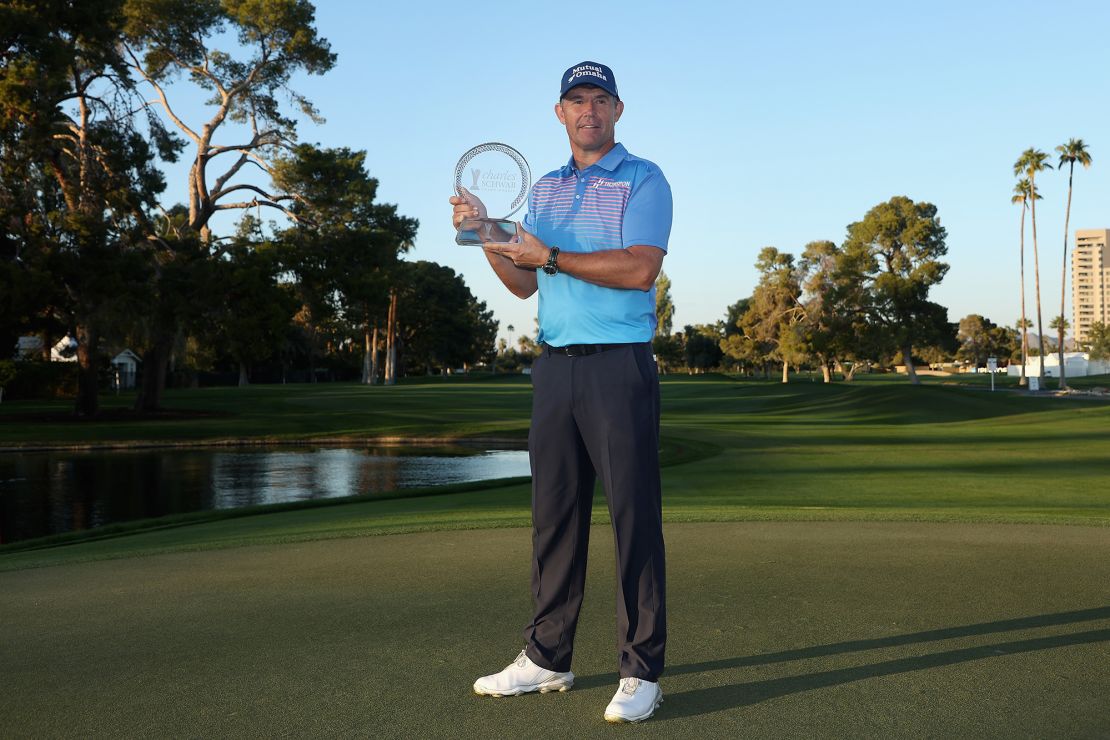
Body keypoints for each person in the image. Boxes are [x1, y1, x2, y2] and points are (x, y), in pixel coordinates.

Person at [449, 60, 672, 724]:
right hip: (554, 369)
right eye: (577, 100)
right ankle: (547, 656)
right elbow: (523, 283)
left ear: (618, 110)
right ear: (560, 114)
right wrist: (485, 231)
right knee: (554, 519)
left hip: (619, 366)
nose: (589, 110)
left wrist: (548, 256)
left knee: (632, 520)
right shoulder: (544, 190)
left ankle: (641, 671)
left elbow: (638, 268)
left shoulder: (644, 178)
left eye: (600, 99)